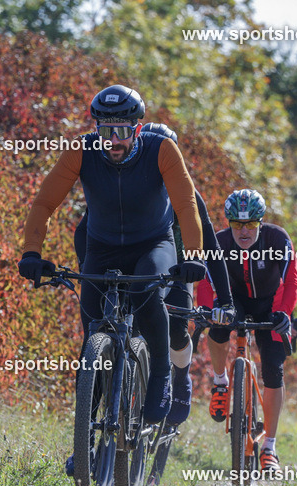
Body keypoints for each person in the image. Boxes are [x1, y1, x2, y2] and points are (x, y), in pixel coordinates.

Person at [17, 84, 208, 431]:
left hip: (153, 244)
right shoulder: (81, 151)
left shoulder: (161, 149)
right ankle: (85, 439)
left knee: (145, 292)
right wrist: (32, 252)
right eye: (105, 132)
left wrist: (193, 255)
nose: (113, 141)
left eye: (122, 131)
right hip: (101, 248)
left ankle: (162, 375)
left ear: (137, 129)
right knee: (92, 334)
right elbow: (45, 203)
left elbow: (185, 204)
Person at [73, 122, 235, 426]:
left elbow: (212, 249)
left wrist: (225, 300)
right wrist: (87, 271)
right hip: (128, 266)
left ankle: (179, 377)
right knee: (99, 335)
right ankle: (87, 434)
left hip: (175, 272)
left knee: (174, 327)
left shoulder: (187, 193)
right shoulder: (124, 186)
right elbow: (86, 230)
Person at [198, 189, 297, 472]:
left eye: (251, 224)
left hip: (271, 304)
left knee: (274, 371)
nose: (244, 231)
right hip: (235, 300)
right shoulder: (217, 242)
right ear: (229, 222)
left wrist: (284, 313)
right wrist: (207, 309)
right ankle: (220, 382)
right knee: (217, 327)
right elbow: (206, 283)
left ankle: (270, 448)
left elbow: (291, 281)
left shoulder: (278, 239)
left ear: (261, 222)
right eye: (237, 224)